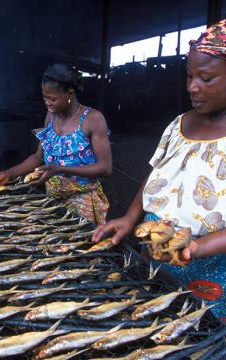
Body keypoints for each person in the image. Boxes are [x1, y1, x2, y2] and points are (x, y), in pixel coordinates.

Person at [92, 19, 226, 318]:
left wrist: (198, 246)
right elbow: (156, 174)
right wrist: (129, 217)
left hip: (213, 268)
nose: (193, 86)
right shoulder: (179, 124)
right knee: (153, 324)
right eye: (190, 75)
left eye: (206, 78)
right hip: (156, 252)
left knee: (201, 335)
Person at [0, 63, 112, 224]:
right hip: (53, 202)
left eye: (52, 98)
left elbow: (106, 168)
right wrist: (7, 174)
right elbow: (38, 157)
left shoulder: (93, 119)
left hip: (83, 204)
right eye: (44, 97)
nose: (47, 102)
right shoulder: (51, 116)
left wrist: (60, 169)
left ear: (70, 94)